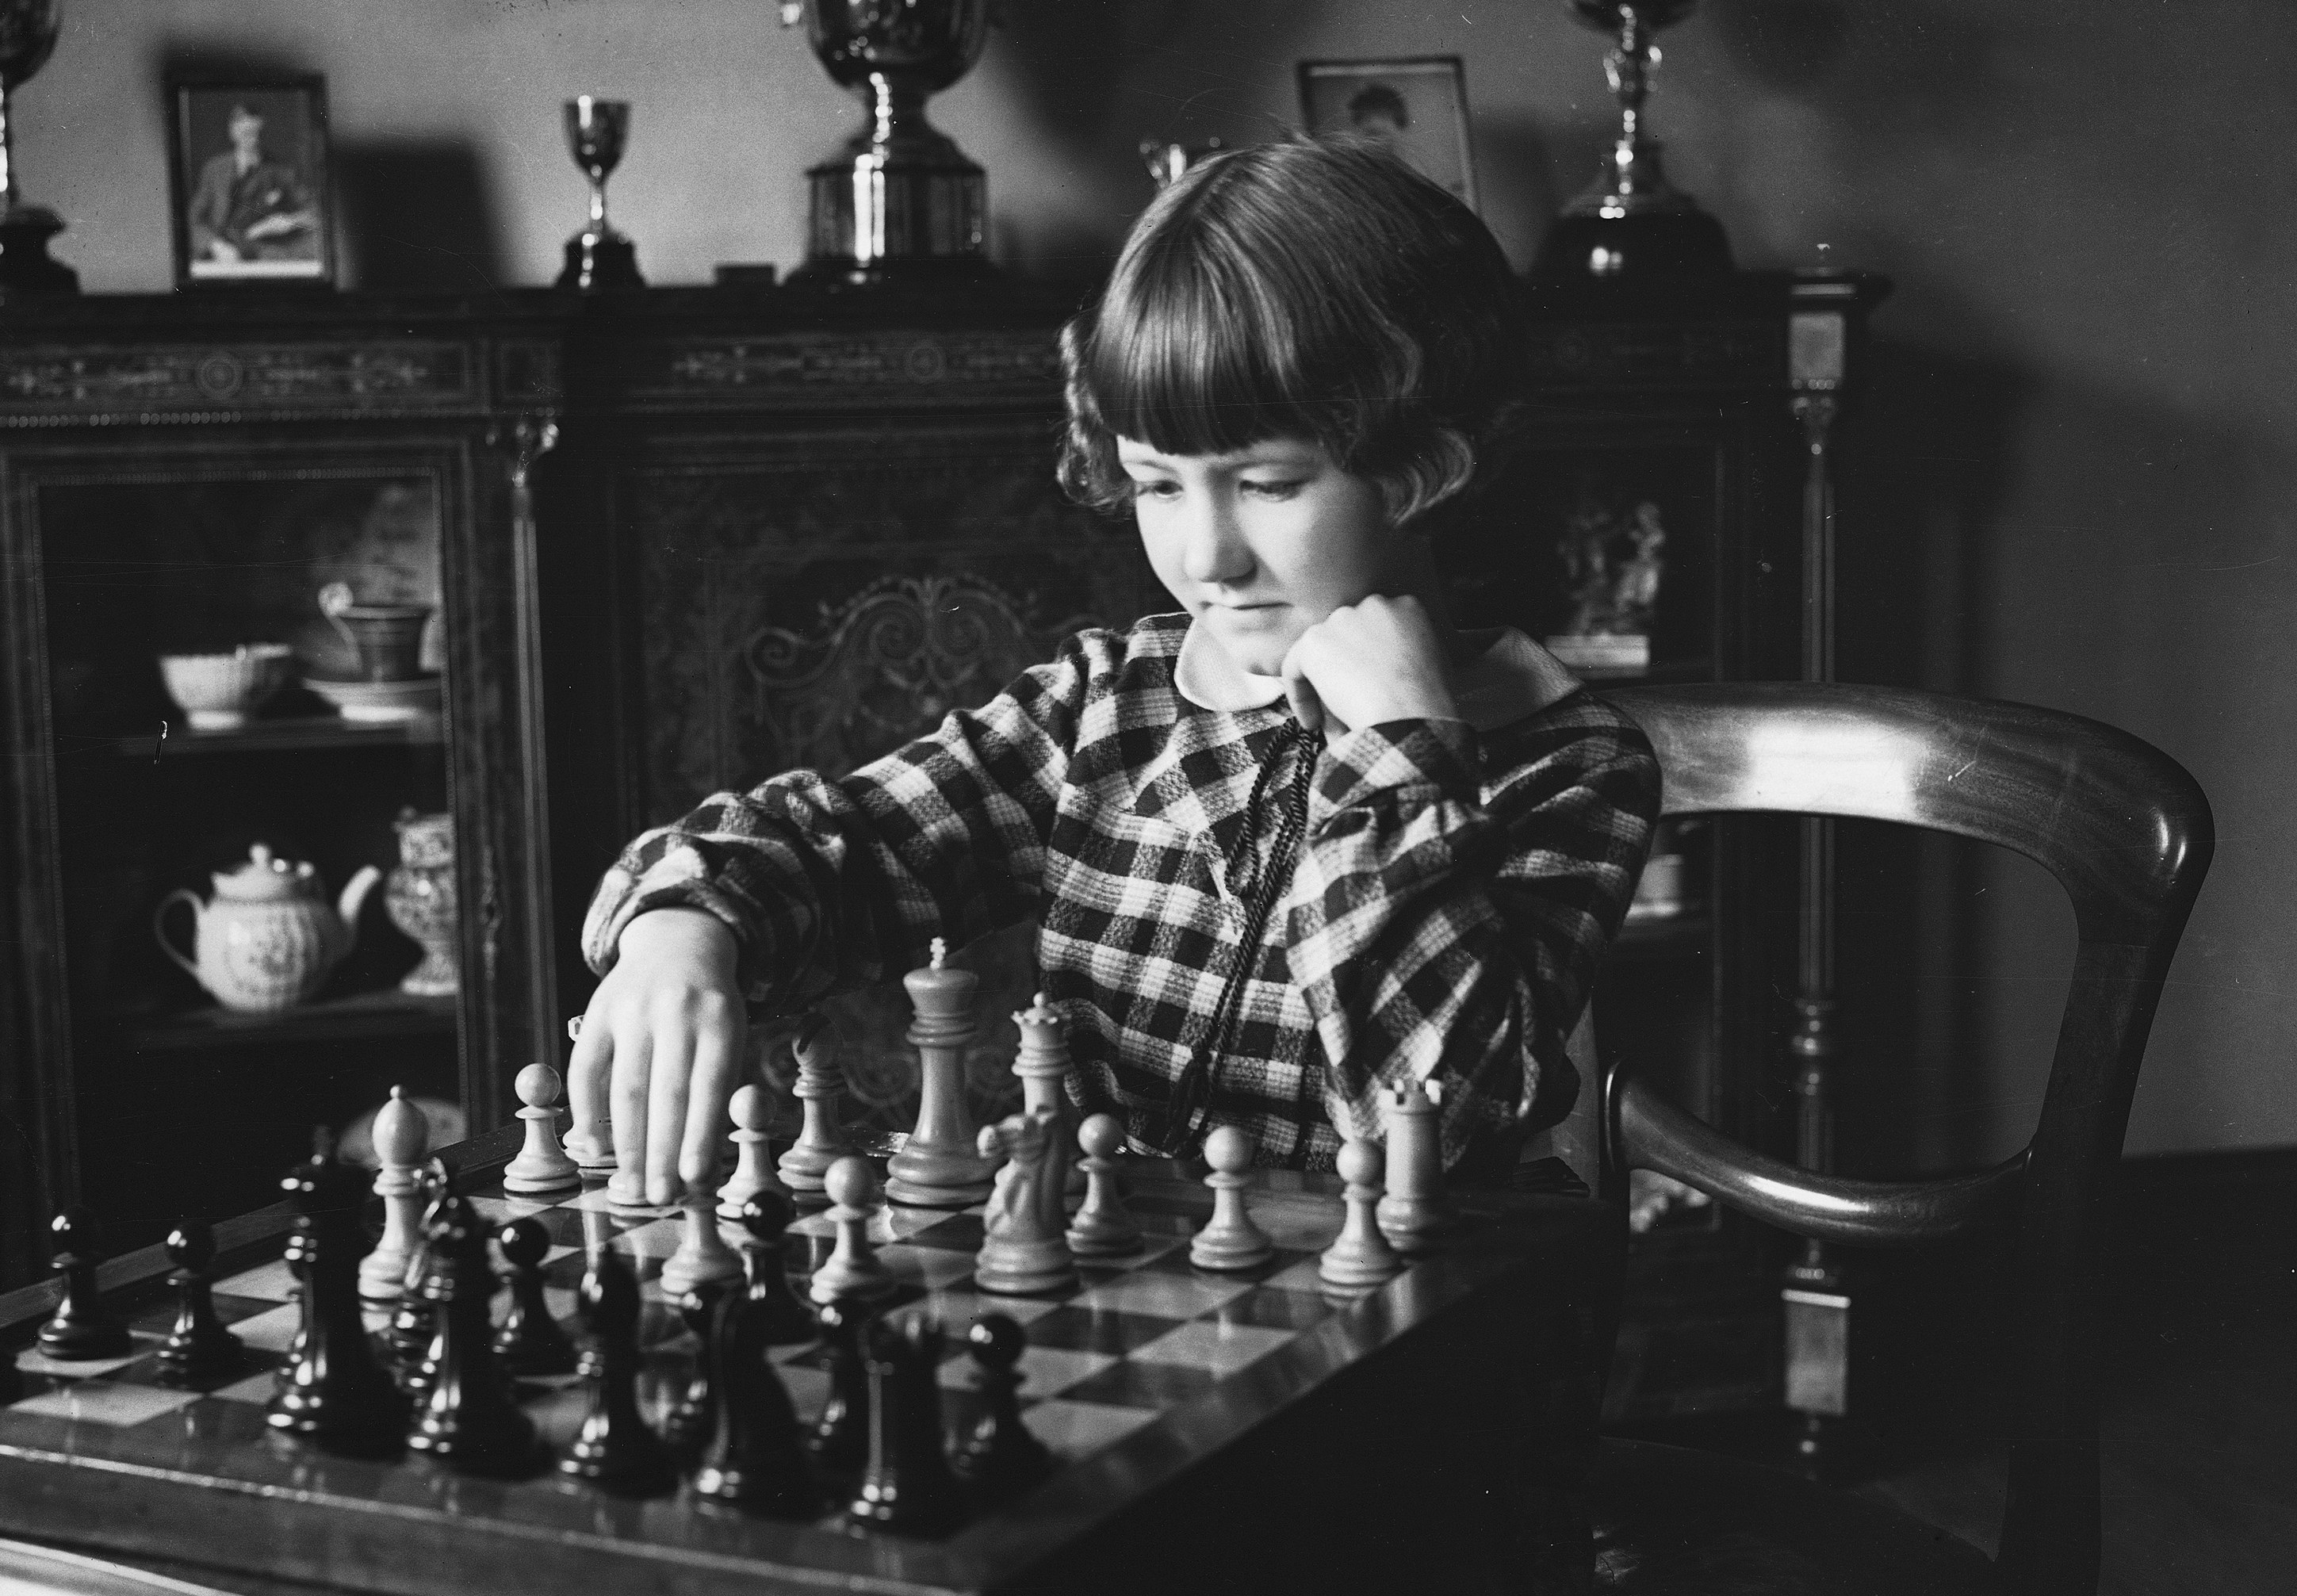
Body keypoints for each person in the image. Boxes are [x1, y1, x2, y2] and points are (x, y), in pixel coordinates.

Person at [571, 135, 1658, 1205]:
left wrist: (1398, 762)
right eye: (1158, 485)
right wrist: (684, 924)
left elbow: (1440, 1110)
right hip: (1127, 1297)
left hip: (1402, 1334)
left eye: (1270, 484)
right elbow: (844, 844)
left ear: (1426, 462)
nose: (1207, 557)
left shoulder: (1568, 762)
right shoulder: (1107, 707)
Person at [188, 100, 320, 268]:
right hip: (219, 253)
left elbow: (315, 211)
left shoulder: (281, 171)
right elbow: (193, 219)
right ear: (232, 133)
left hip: (262, 252)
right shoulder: (214, 169)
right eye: (246, 133)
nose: (253, 140)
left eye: (257, 133)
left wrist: (288, 220)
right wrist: (216, 246)